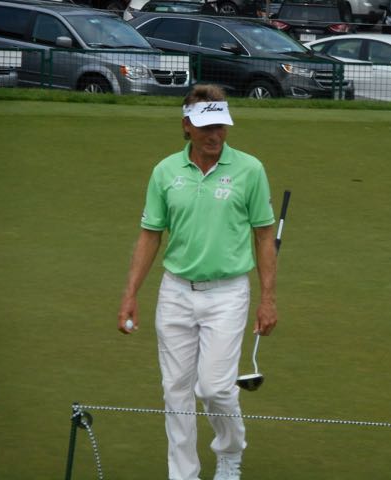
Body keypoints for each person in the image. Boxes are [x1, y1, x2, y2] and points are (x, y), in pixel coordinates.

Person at [117, 84, 277, 480]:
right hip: (175, 291)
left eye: (221, 126)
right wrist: (131, 294)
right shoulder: (165, 172)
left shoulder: (250, 170)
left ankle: (230, 452)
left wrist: (268, 298)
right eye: (206, 127)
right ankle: (183, 474)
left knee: (215, 389)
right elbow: (150, 235)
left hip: (228, 293)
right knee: (176, 391)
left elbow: (263, 235)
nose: (215, 135)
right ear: (186, 125)